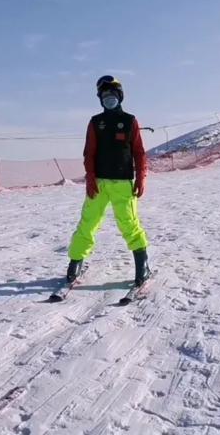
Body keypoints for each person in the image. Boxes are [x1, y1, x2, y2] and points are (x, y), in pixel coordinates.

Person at [65, 75, 151, 286]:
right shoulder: (96, 122)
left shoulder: (130, 121)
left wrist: (141, 177)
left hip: (123, 183)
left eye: (112, 93)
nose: (108, 98)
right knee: (88, 223)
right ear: (99, 98)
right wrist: (90, 178)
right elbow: (89, 153)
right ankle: (76, 261)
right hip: (99, 183)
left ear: (120, 96)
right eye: (104, 94)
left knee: (129, 223)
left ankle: (142, 263)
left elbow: (139, 152)